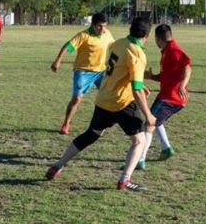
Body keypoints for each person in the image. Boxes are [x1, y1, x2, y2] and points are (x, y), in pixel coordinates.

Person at [45, 17, 156, 192]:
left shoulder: (118, 43)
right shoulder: (137, 53)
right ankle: (125, 180)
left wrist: (140, 84)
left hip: (103, 98)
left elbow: (119, 70)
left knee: (91, 134)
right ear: (146, 35)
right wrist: (148, 115)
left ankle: (58, 165)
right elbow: (136, 90)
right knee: (139, 141)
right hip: (122, 103)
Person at [50, 12, 115, 135]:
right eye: (99, 26)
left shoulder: (107, 34)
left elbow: (114, 47)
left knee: (110, 96)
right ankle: (66, 123)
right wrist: (57, 61)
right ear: (93, 25)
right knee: (77, 99)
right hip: (83, 72)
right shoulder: (83, 36)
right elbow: (67, 46)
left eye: (105, 26)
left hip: (101, 72)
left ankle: (104, 123)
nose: (102, 29)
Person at [138, 24, 192, 170]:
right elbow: (166, 76)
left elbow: (187, 67)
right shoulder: (167, 51)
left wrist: (182, 85)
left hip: (170, 98)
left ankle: (140, 159)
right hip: (169, 97)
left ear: (157, 38)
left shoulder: (174, 50)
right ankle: (166, 148)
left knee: (149, 124)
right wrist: (152, 77)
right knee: (156, 121)